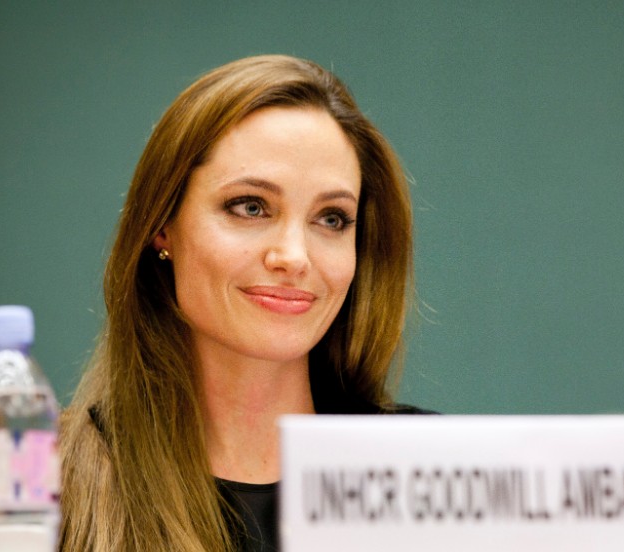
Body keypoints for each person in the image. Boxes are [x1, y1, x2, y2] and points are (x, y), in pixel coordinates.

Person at [59, 54, 427, 551]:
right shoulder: (49, 487)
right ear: (161, 226)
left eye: (332, 219)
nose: (294, 257)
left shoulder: (425, 471)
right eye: (251, 207)